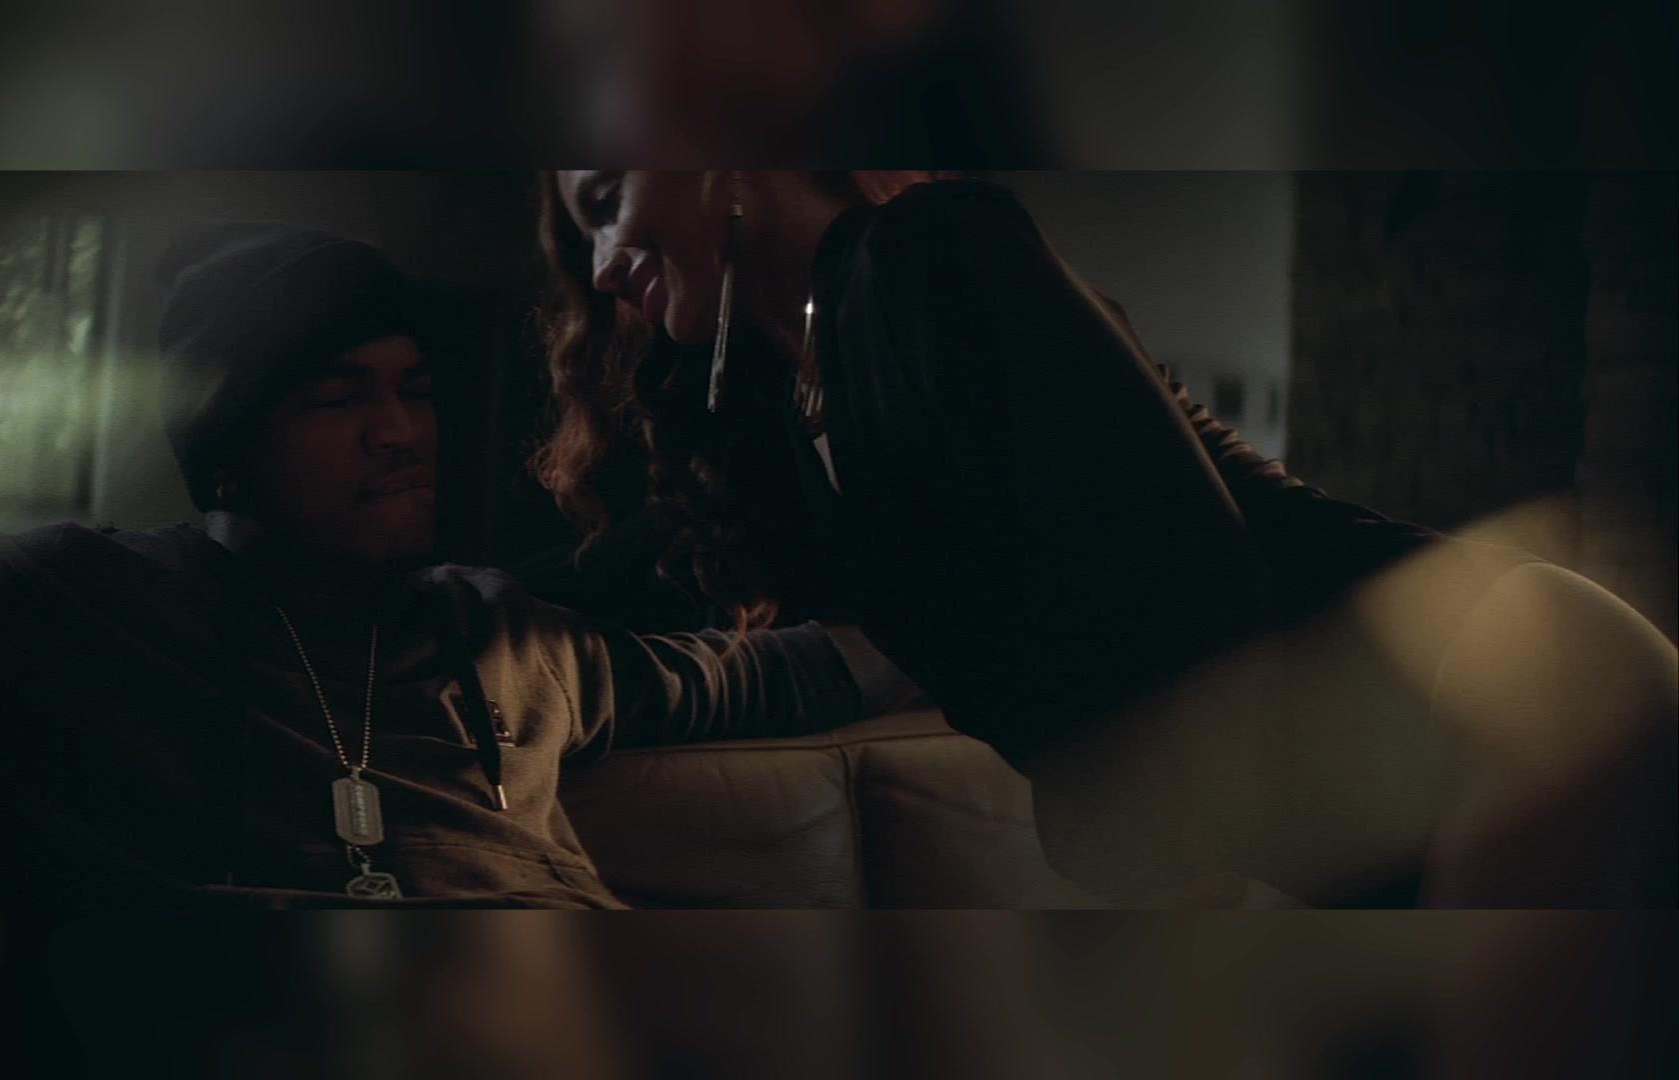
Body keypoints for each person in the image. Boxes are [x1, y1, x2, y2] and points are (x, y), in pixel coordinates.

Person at [531, 170, 1677, 907]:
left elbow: (1205, 626)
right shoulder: (797, 404)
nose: (603, 265)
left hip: (1501, 703)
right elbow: (620, 584)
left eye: (608, 201)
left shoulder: (930, 251)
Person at [0, 223, 902, 909]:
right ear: (227, 455)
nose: (399, 433)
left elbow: (769, 675)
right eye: (337, 398)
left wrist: (970, 615)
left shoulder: (503, 633)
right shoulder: (79, 602)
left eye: (414, 391)